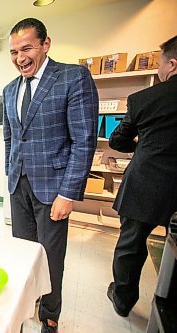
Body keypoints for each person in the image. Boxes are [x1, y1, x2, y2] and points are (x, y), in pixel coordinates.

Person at [3, 18, 98, 332]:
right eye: (14, 52)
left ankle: (50, 315)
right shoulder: (9, 89)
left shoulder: (72, 77)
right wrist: (10, 173)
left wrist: (69, 193)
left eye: (27, 48)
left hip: (54, 188)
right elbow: (10, 137)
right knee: (23, 253)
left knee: (50, 257)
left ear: (46, 44)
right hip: (19, 185)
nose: (20, 57)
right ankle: (27, 302)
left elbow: (83, 139)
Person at [107, 35, 177, 318]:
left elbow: (117, 141)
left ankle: (123, 300)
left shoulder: (145, 99)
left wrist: (142, 146)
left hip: (147, 183)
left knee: (131, 244)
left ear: (171, 64)